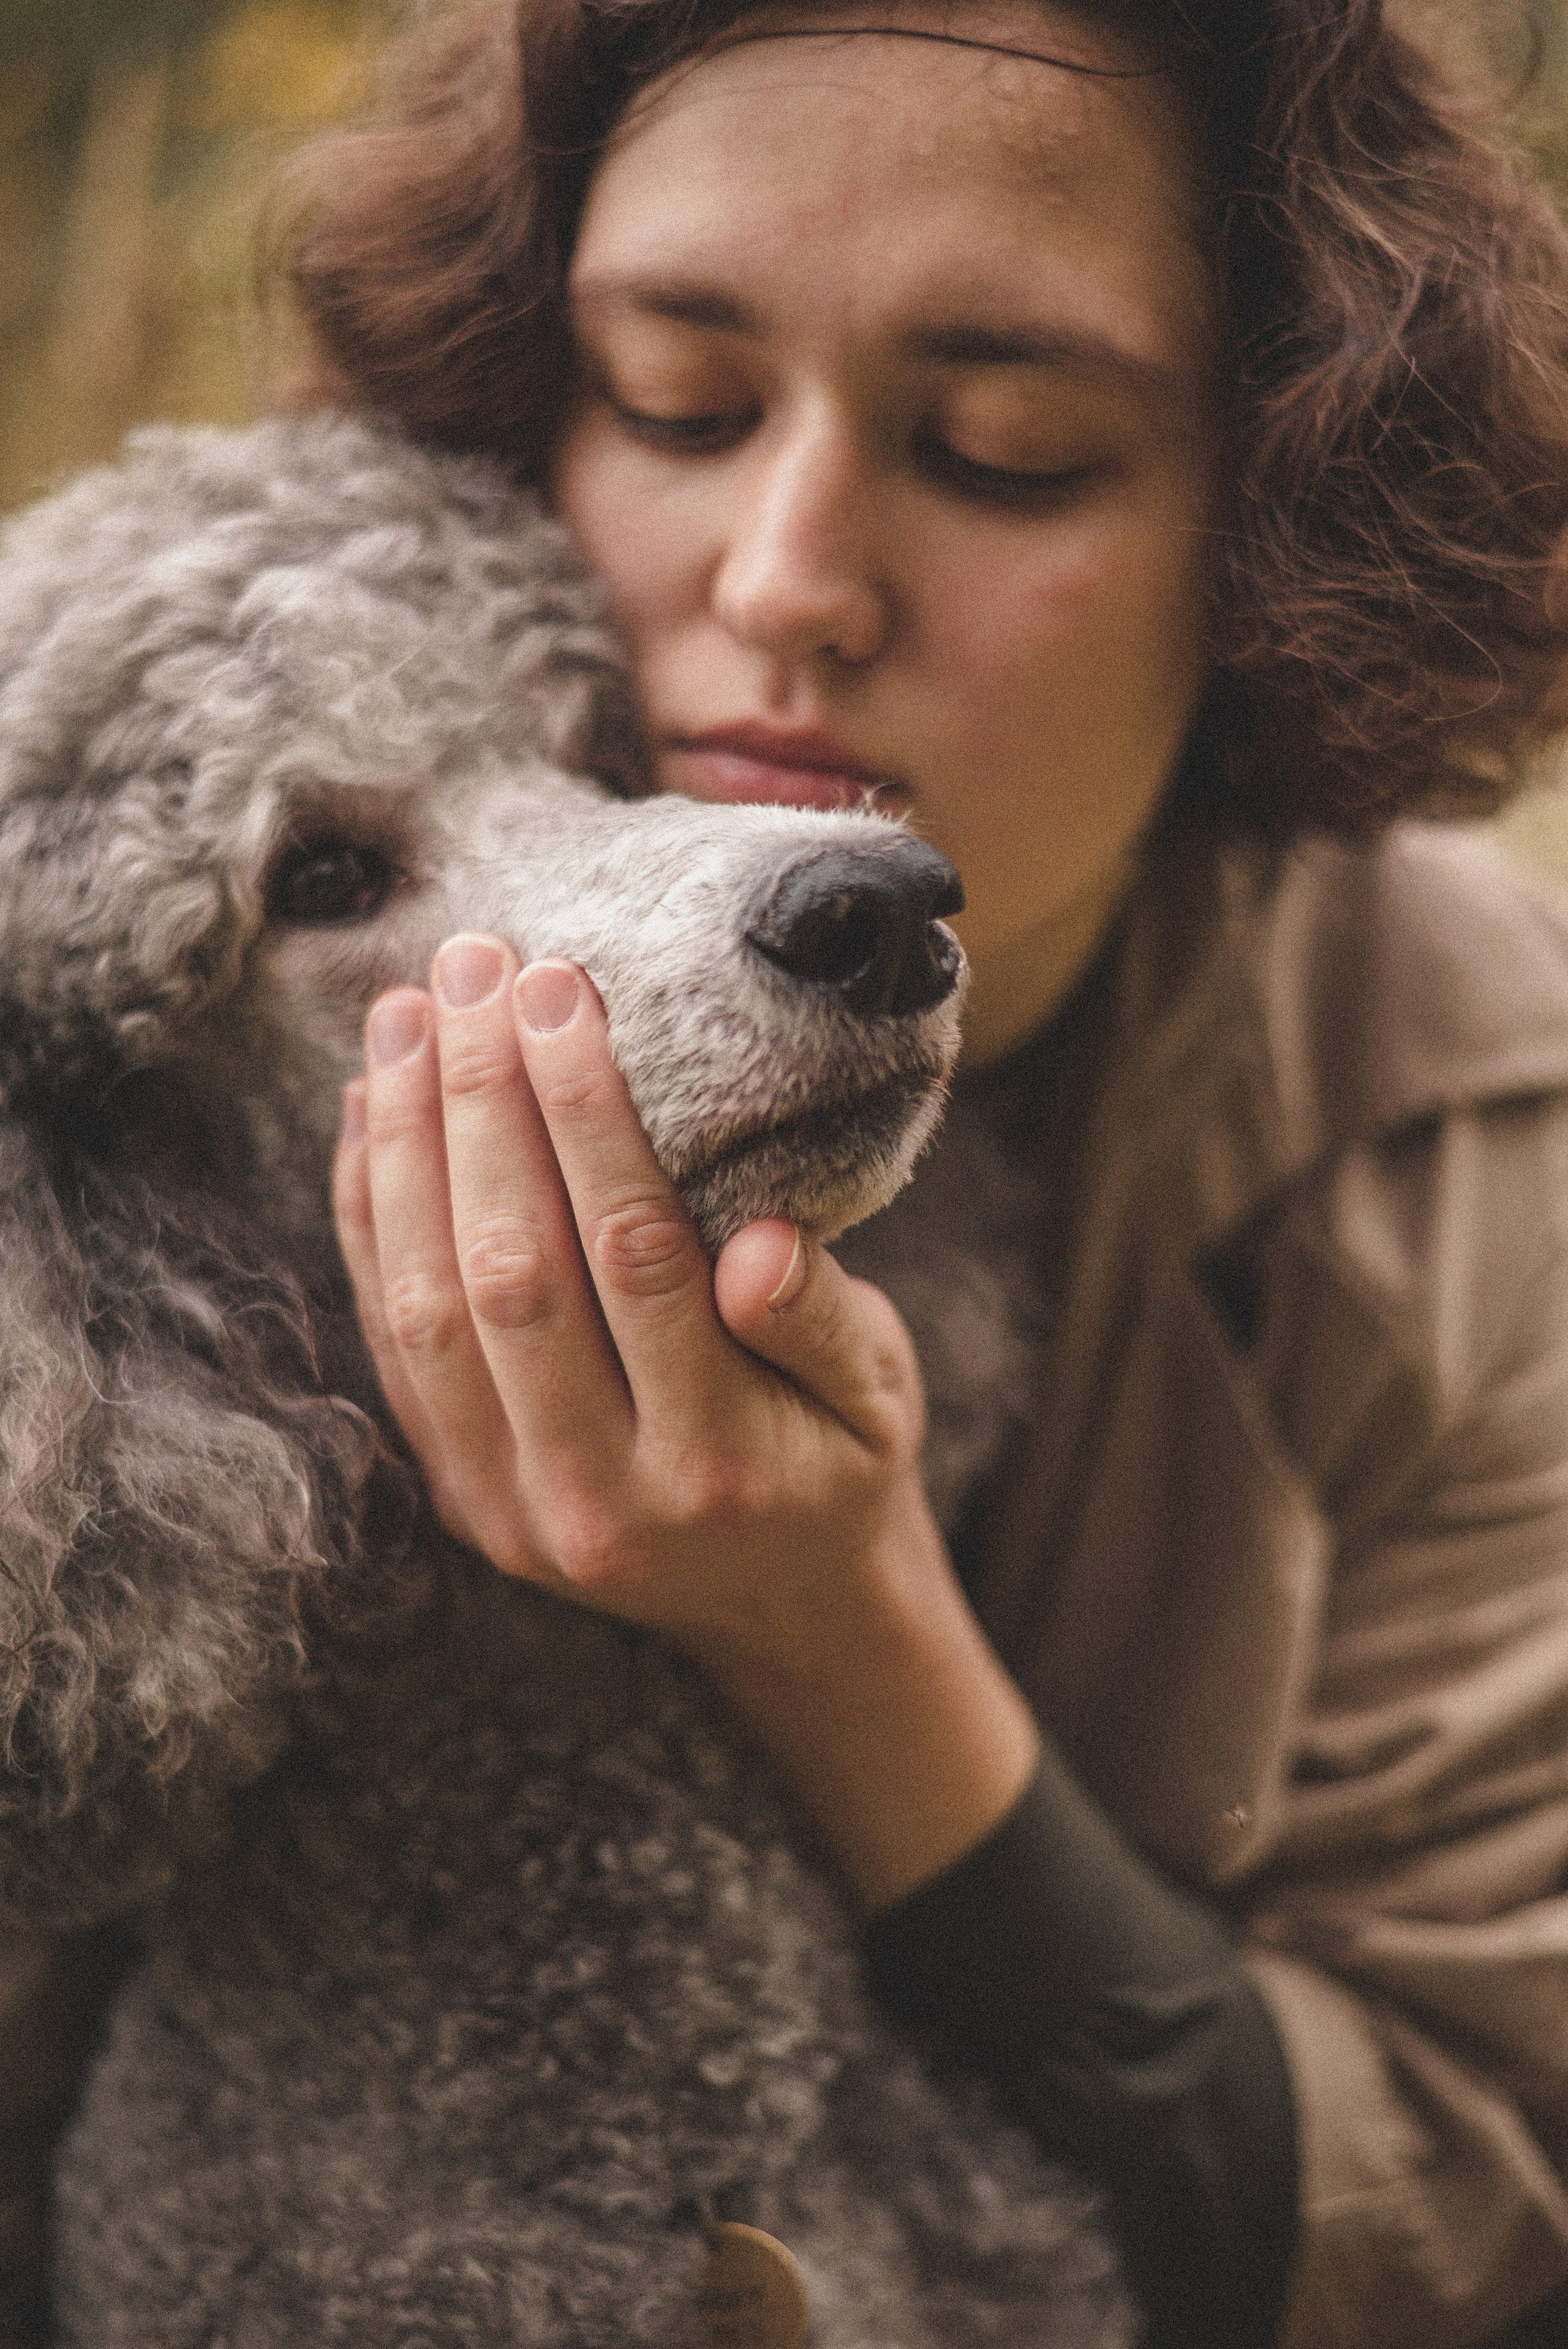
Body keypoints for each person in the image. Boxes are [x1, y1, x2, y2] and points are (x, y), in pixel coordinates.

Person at [3, 2, 1565, 2345]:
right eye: (679, 405)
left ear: (1276, 527)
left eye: (1008, 450)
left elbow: (1464, 2181)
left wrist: (840, 1636)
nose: (783, 576)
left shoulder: (1489, 1132)